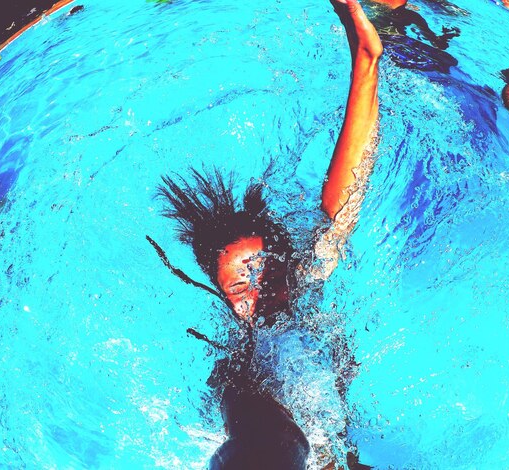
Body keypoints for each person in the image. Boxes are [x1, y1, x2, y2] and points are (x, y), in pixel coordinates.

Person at [151, 0, 382, 467]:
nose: (257, 291)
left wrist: (365, 59)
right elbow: (263, 438)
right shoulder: (237, 372)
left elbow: (345, 200)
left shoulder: (307, 279)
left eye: (260, 270)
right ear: (220, 298)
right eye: (238, 286)